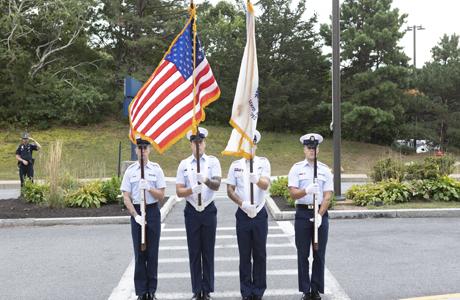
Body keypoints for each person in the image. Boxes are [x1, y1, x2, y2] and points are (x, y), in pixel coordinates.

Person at [176, 127, 222, 300]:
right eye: (195, 143)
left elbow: (217, 185)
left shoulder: (213, 162)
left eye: (200, 142)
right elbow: (179, 191)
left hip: (208, 209)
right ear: (191, 145)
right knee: (194, 252)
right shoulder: (184, 164)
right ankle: (197, 289)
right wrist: (191, 189)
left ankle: (207, 290)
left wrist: (206, 180)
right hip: (192, 210)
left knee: (208, 251)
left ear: (205, 143)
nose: (198, 146)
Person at [288, 133, 333, 300]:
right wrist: (306, 190)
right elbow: (293, 193)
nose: (312, 150)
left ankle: (315, 289)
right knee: (303, 254)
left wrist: (320, 214)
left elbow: (328, 195)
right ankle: (305, 290)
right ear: (304, 149)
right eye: (309, 148)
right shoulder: (296, 168)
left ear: (318, 149)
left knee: (319, 254)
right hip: (303, 213)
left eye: (314, 148)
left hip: (320, 213)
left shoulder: (325, 169)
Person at [226, 130, 271, 300]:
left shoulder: (263, 163)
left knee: (260, 254)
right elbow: (229, 190)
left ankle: (258, 291)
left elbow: (265, 184)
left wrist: (257, 180)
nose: (249, 146)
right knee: (244, 255)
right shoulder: (235, 165)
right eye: (246, 143)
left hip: (259, 213)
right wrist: (242, 204)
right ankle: (246, 291)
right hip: (243, 214)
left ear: (256, 145)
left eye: (252, 143)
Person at [120, 138, 166, 300]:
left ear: (149, 150)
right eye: (139, 148)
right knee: (139, 254)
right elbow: (126, 196)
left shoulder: (156, 170)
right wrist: (136, 215)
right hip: (138, 212)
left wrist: (149, 188)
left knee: (152, 253)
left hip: (152, 212)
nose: (142, 151)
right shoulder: (130, 171)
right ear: (136, 150)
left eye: (145, 148)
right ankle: (141, 292)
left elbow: (161, 195)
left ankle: (151, 291)